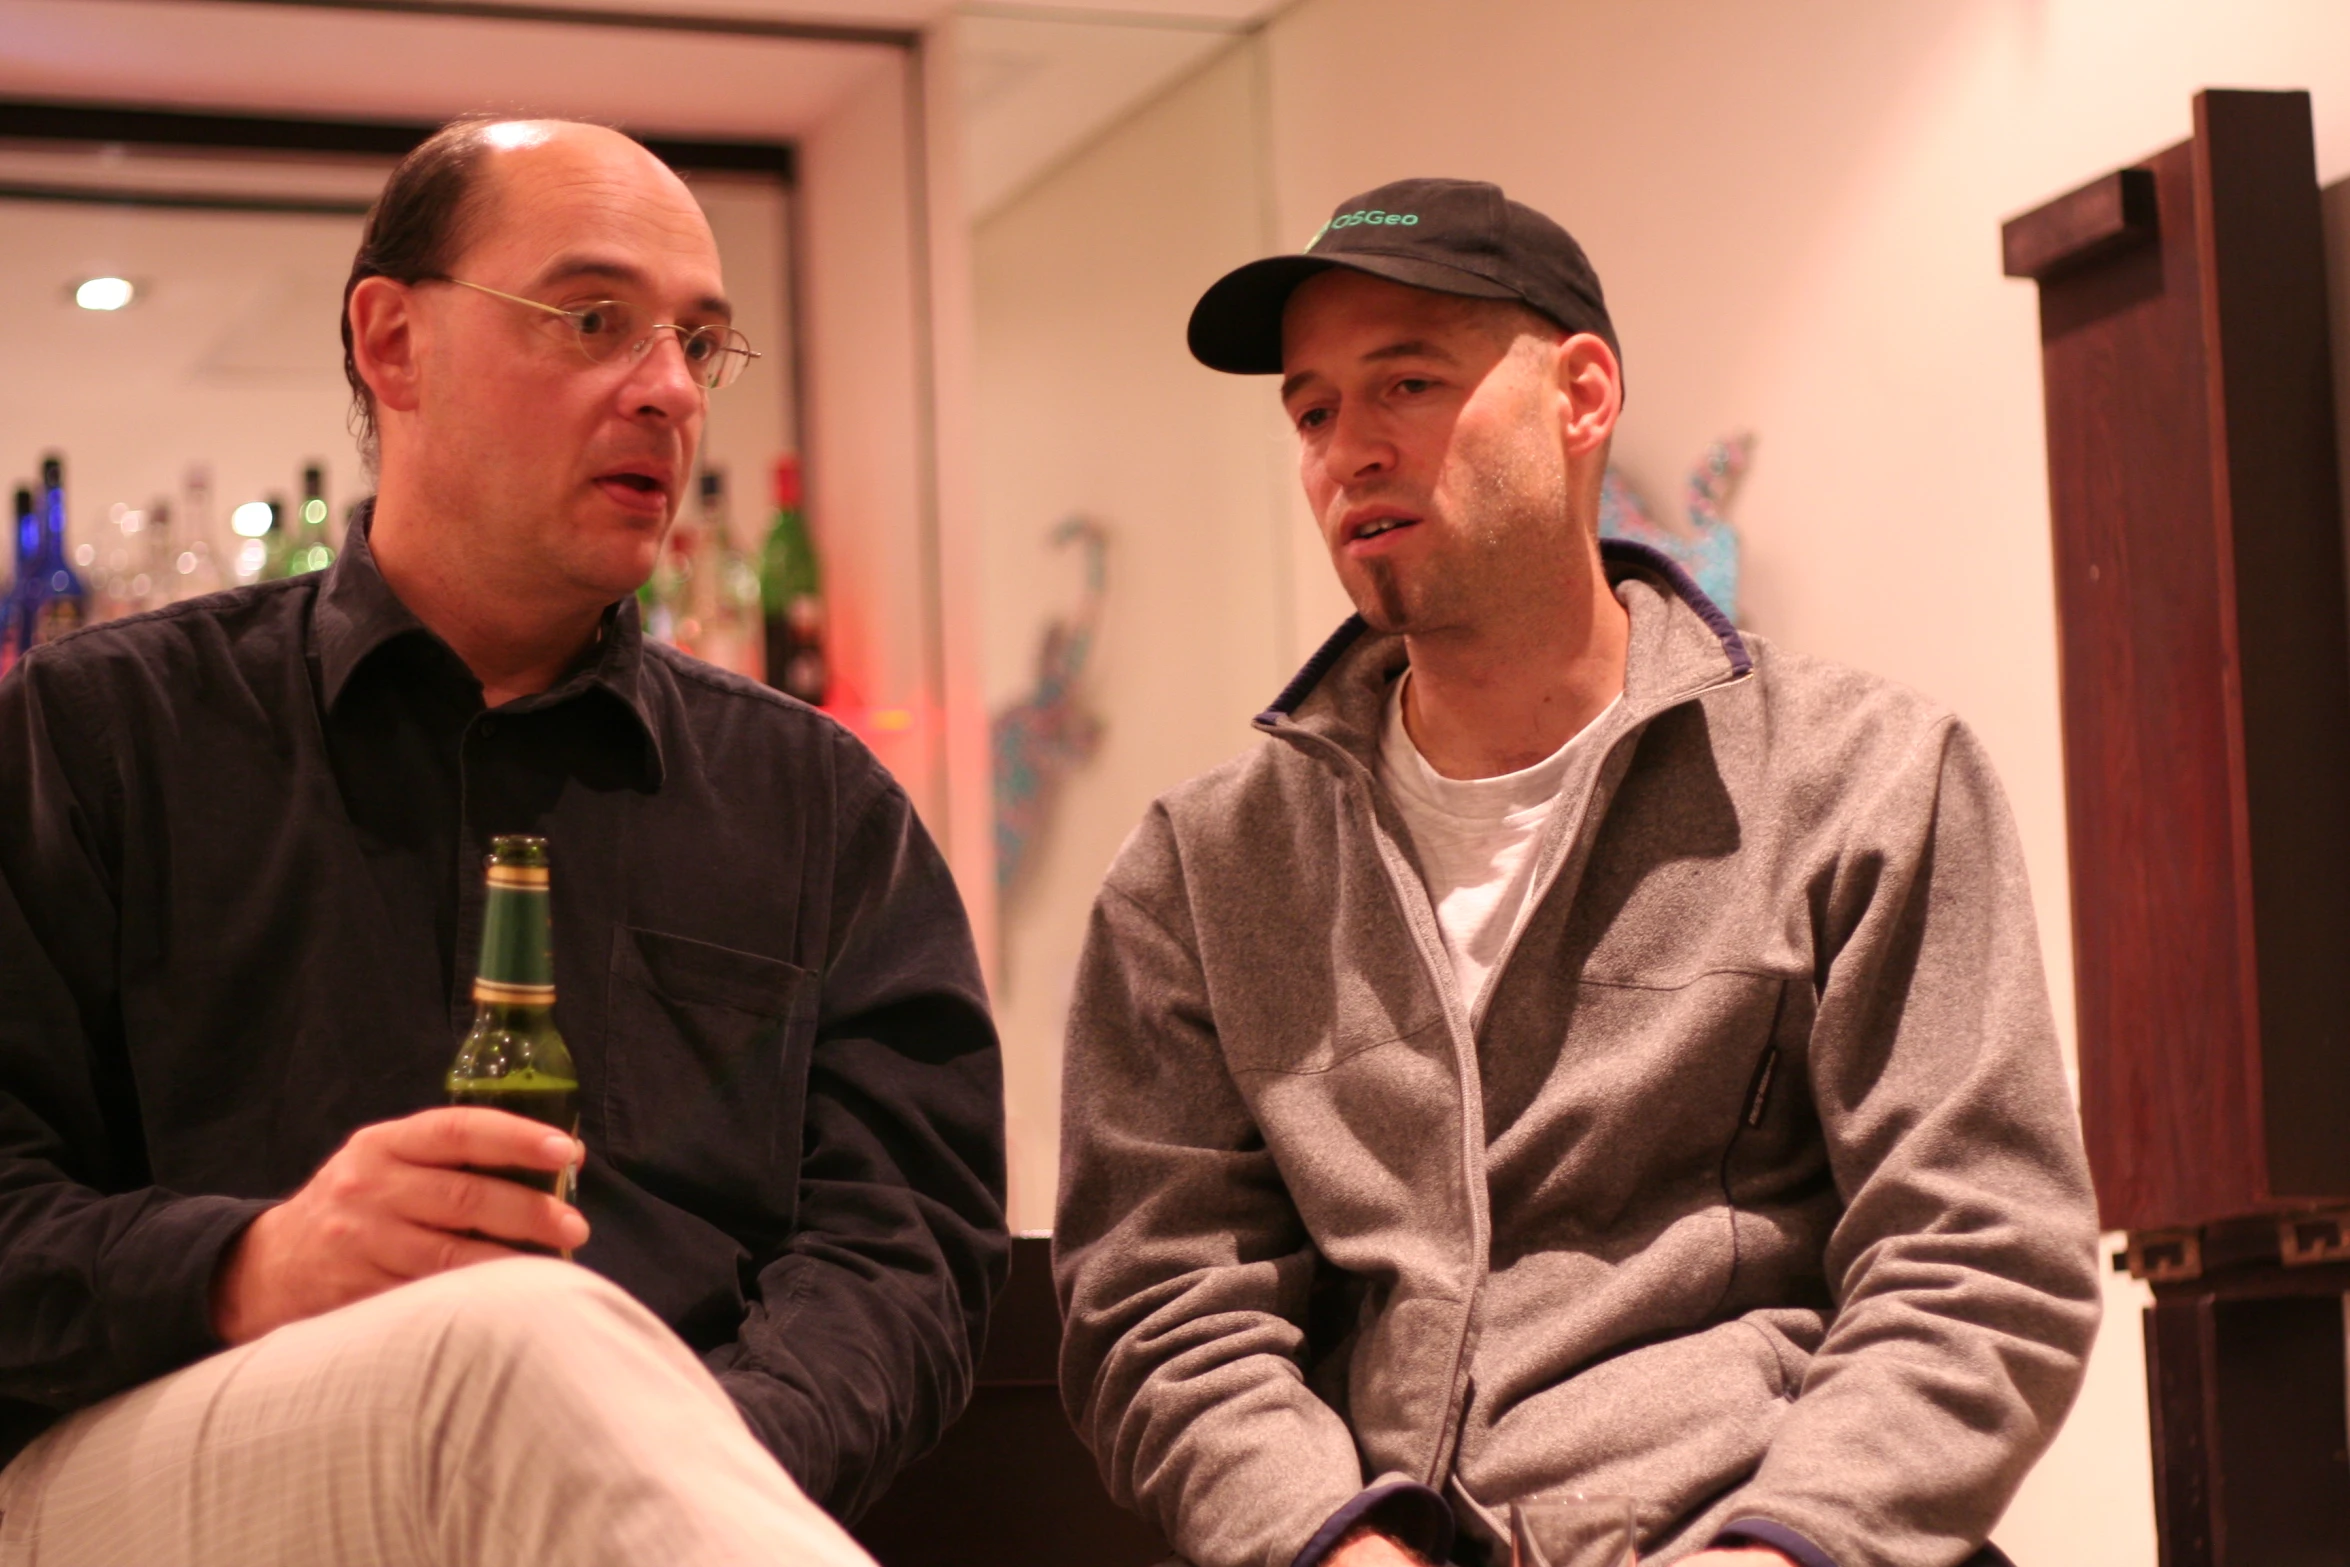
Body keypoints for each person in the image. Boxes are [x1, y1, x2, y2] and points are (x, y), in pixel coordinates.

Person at [0, 118, 1007, 1566]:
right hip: (157, 1470)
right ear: (392, 343)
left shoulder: (819, 807)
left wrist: (641, 1451)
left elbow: (902, 1256)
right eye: (593, 320)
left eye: (701, 344)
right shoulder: (96, 731)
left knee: (542, 1364)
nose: (667, 390)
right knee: (510, 1343)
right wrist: (250, 1262)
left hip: (668, 1499)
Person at [1052, 179, 2102, 1567]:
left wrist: (1789, 1543)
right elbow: (1162, 1305)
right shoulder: (1200, 871)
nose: (1348, 450)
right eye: (1311, 412)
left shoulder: (1865, 780)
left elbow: (1978, 1255)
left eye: (1405, 383)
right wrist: (1331, 1542)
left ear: (1582, 392)